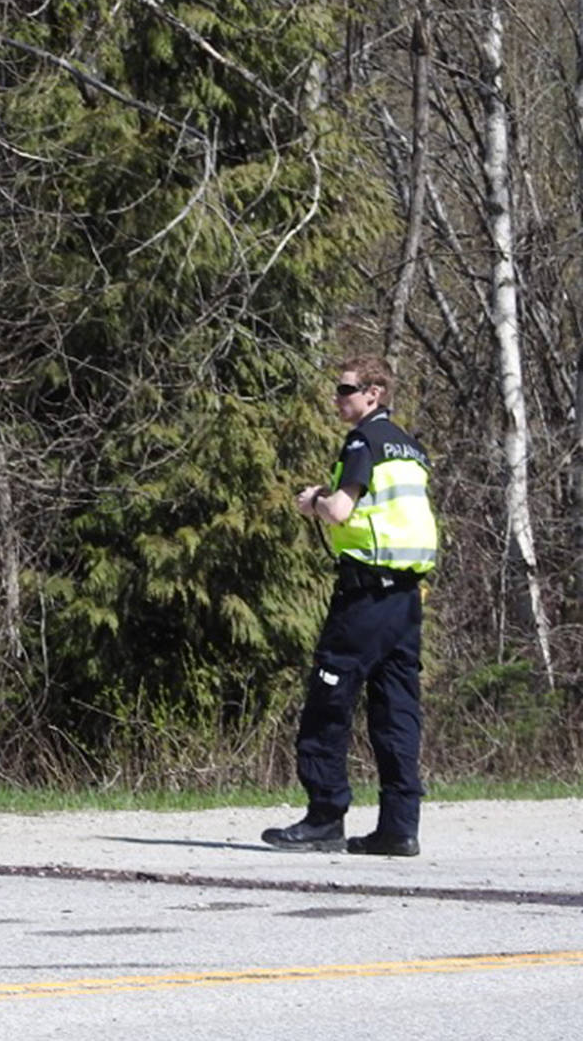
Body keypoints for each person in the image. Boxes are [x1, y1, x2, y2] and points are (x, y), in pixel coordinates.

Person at [262, 356, 439, 858]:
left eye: (346, 389)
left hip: (365, 597)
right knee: (397, 710)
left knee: (329, 699)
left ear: (373, 394)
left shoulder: (364, 441)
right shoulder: (411, 447)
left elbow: (341, 509)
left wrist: (313, 500)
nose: (337, 398)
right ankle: (399, 828)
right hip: (406, 600)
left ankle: (324, 816)